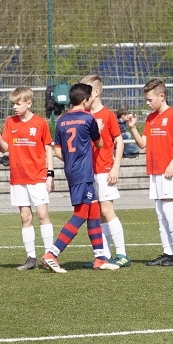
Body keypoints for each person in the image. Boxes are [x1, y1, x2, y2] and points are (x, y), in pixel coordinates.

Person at [41, 83, 116, 272]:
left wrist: (72, 159)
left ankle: (100, 258)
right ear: (85, 100)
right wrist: (98, 129)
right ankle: (52, 253)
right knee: (81, 214)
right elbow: (99, 144)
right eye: (89, 98)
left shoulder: (61, 121)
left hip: (72, 170)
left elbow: (58, 150)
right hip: (84, 173)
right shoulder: (88, 118)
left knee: (93, 213)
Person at [0, 86, 55, 270]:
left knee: (43, 215)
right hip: (18, 178)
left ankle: (50, 255)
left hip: (37, 176)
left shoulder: (40, 123)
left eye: (18, 104)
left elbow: (48, 150)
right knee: (25, 217)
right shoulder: (10, 122)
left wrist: (50, 174)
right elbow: (4, 148)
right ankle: (30, 258)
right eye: (13, 104)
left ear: (29, 103)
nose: (15, 107)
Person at [125, 79, 173, 267]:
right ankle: (168, 252)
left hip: (168, 171)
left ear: (161, 96)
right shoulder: (151, 118)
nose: (148, 103)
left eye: (150, 99)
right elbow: (143, 144)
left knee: (168, 209)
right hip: (155, 170)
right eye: (146, 99)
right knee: (160, 212)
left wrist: (172, 163)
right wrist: (133, 128)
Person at [80, 75, 130, 266]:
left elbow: (119, 141)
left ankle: (122, 254)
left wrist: (115, 167)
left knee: (107, 210)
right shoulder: (84, 115)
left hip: (104, 169)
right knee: (98, 213)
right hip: (89, 171)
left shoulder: (107, 115)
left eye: (86, 90)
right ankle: (104, 256)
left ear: (96, 92)